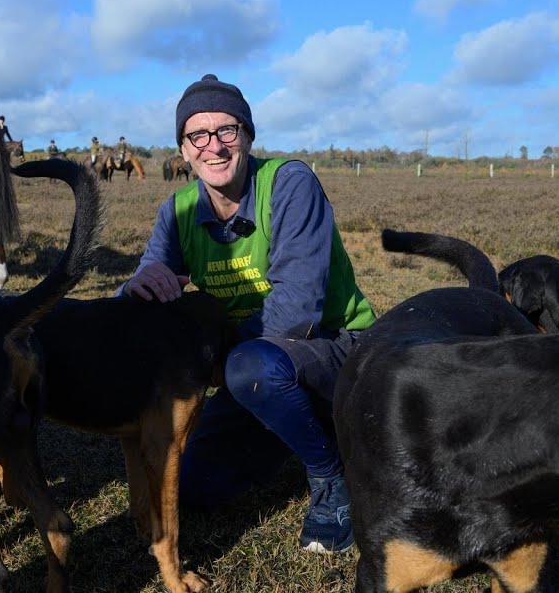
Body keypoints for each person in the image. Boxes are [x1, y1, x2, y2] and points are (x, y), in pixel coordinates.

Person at [120, 74, 375, 554]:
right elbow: (138, 301)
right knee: (196, 486)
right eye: (198, 134)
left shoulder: (289, 183)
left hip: (341, 348)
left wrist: (209, 359)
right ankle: (285, 429)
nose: (213, 146)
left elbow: (295, 314)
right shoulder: (177, 210)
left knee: (251, 366)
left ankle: (332, 475)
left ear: (248, 136)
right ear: (184, 147)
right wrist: (135, 287)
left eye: (227, 131)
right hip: (252, 366)